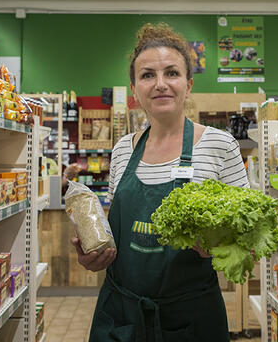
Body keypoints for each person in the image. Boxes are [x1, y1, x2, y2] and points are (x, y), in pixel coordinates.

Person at [70, 23, 249, 341]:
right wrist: (95, 252)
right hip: (122, 313)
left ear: (189, 84)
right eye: (148, 75)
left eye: (172, 73)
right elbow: (116, 235)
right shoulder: (124, 149)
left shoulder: (220, 146)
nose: (161, 84)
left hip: (191, 317)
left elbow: (248, 238)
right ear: (134, 88)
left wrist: (218, 246)